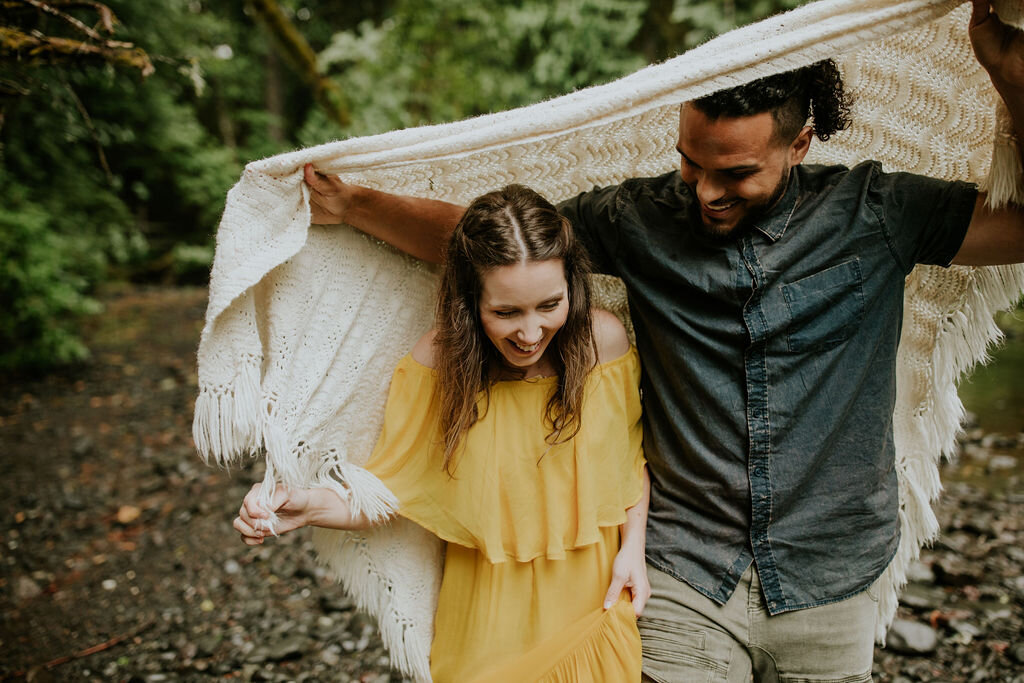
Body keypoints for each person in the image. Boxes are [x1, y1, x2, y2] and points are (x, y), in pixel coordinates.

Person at [295, 2, 1024, 680]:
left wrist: (1008, 73)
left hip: (831, 573)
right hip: (684, 571)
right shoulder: (640, 218)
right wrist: (357, 204)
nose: (704, 190)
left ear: (800, 142)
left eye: (735, 172)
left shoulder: (878, 213)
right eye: (689, 161)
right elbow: (505, 252)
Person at [234, 184, 652, 681]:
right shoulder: (438, 362)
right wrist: (305, 507)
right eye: (506, 312)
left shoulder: (601, 341)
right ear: (469, 298)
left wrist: (633, 553)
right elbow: (394, 489)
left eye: (549, 304)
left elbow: (629, 464)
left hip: (595, 598)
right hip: (485, 618)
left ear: (572, 288)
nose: (531, 332)